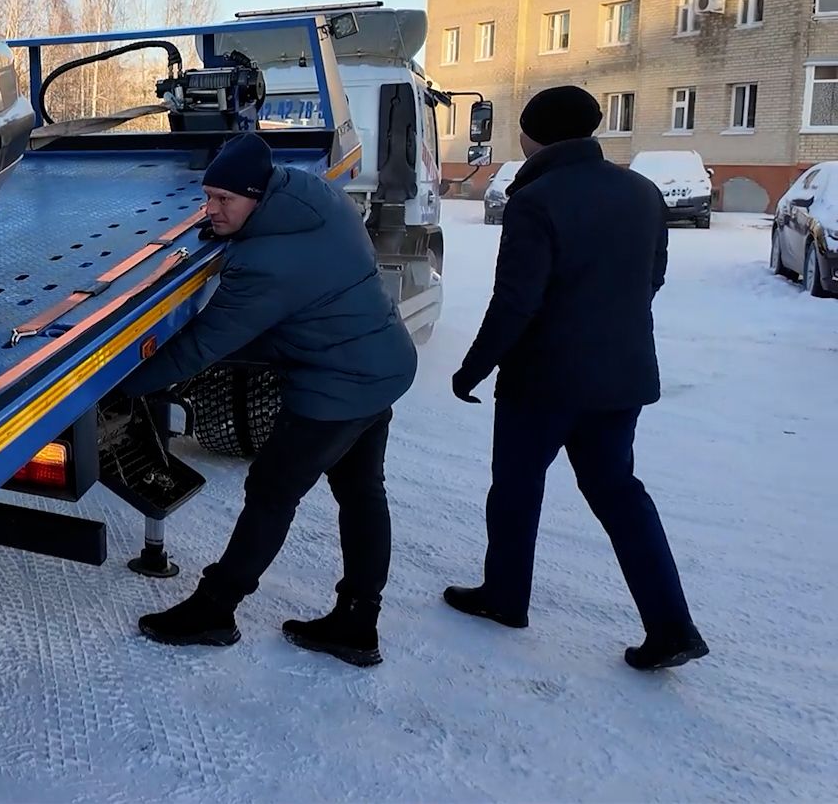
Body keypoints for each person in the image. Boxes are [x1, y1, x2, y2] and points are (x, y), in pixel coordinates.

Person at [123, 132, 417, 667]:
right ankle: (358, 620)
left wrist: (117, 385)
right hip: (383, 360)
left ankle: (216, 609)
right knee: (361, 492)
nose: (210, 210)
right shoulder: (311, 193)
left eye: (224, 200)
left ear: (257, 196)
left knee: (271, 492)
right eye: (207, 197)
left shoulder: (267, 263)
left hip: (337, 383)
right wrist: (231, 222)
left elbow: (202, 347)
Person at [446, 85, 707, 671]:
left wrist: (474, 367)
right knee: (620, 494)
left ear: (533, 134)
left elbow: (516, 301)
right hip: (621, 377)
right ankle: (672, 626)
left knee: (515, 490)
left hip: (543, 381)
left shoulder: (535, 200)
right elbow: (653, 277)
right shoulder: (642, 192)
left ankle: (504, 597)